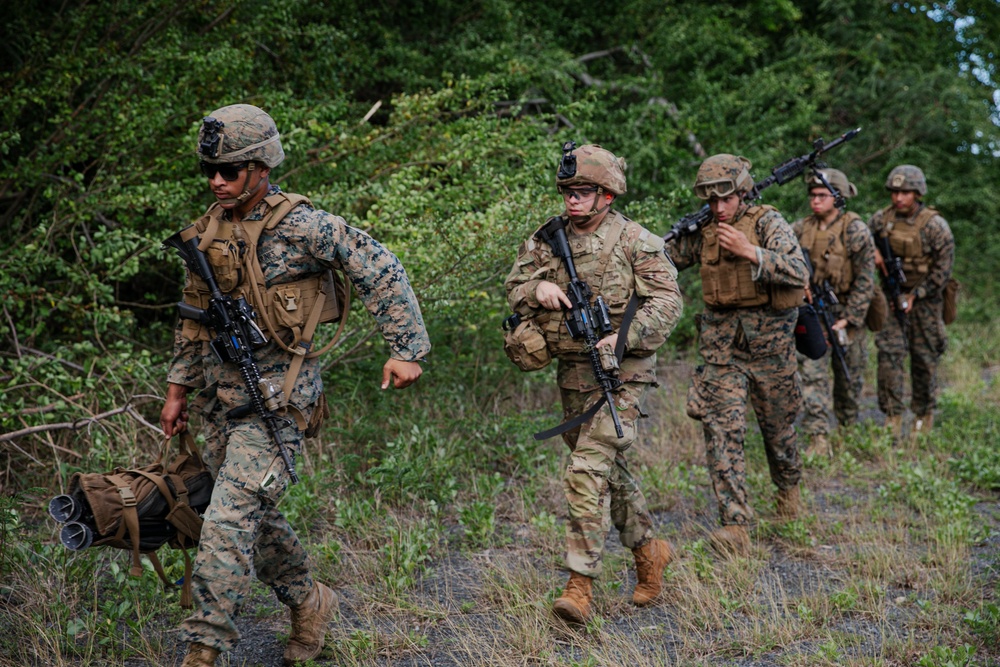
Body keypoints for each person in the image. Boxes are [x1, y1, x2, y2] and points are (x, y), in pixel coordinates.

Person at [159, 104, 431, 667]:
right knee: (247, 516)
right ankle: (310, 601)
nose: (216, 180)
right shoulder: (208, 230)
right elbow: (193, 317)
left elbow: (382, 268)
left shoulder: (305, 225)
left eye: (229, 171)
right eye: (209, 170)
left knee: (227, 521)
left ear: (260, 168)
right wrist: (178, 390)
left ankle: (202, 650)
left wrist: (406, 351)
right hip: (222, 399)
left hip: (279, 401)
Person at [504, 144, 683, 624]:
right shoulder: (546, 238)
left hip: (622, 373)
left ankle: (579, 586)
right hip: (572, 371)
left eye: (582, 192)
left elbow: (668, 302)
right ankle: (650, 552)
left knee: (586, 471)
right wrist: (534, 289)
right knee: (608, 471)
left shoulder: (636, 240)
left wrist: (619, 340)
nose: (572, 200)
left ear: (607, 195)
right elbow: (514, 286)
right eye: (567, 191)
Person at [664, 154, 807, 557]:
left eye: (725, 199)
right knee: (721, 430)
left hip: (770, 350)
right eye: (711, 201)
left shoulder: (766, 222)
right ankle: (735, 524)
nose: (718, 208)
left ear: (742, 192)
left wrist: (751, 252)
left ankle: (788, 491)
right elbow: (663, 258)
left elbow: (799, 271)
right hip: (721, 350)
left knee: (779, 431)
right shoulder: (705, 230)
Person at [792, 168, 876, 457]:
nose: (815, 201)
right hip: (812, 310)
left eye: (822, 195)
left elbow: (866, 280)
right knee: (811, 374)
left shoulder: (855, 230)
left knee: (848, 376)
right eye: (812, 195)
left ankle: (847, 427)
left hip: (845, 311)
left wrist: (850, 318)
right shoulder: (800, 228)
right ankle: (818, 436)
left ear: (837, 198)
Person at [868, 164, 954, 438]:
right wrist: (873, 254)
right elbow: (860, 243)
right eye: (894, 192)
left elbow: (943, 270)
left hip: (926, 301)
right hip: (892, 298)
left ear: (917, 193)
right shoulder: (880, 221)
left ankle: (922, 414)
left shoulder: (934, 225)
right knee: (889, 356)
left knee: (924, 359)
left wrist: (916, 295)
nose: (899, 198)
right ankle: (892, 415)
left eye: (905, 192)